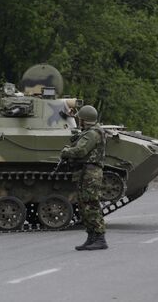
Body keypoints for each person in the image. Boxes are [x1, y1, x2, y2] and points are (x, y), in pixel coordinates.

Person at [61, 105, 107, 250]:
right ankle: (91, 237)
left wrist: (66, 151)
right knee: (84, 205)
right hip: (86, 172)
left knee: (91, 204)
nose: (78, 121)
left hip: (91, 173)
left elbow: (80, 151)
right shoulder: (90, 132)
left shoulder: (92, 134)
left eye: (80, 118)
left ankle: (100, 238)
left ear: (85, 120)